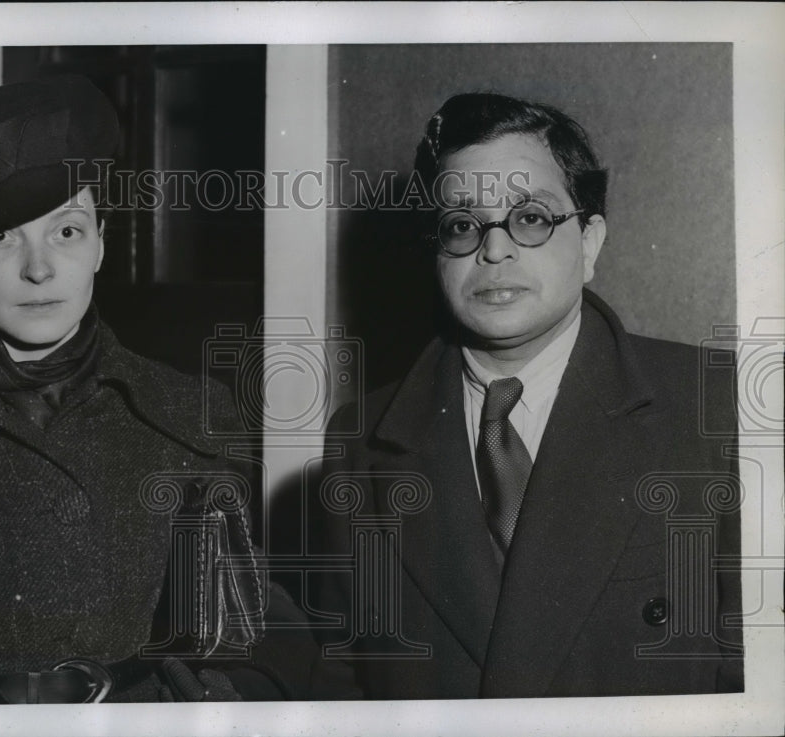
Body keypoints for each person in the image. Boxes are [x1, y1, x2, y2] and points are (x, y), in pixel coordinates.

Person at [0, 74, 317, 704]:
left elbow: (243, 624)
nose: (38, 269)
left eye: (66, 231)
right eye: (1, 235)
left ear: (99, 245)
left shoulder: (194, 414)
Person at [313, 92, 743, 698]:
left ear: (590, 241)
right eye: (462, 223)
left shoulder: (715, 407)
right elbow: (343, 685)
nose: (494, 248)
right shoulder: (360, 441)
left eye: (531, 217)